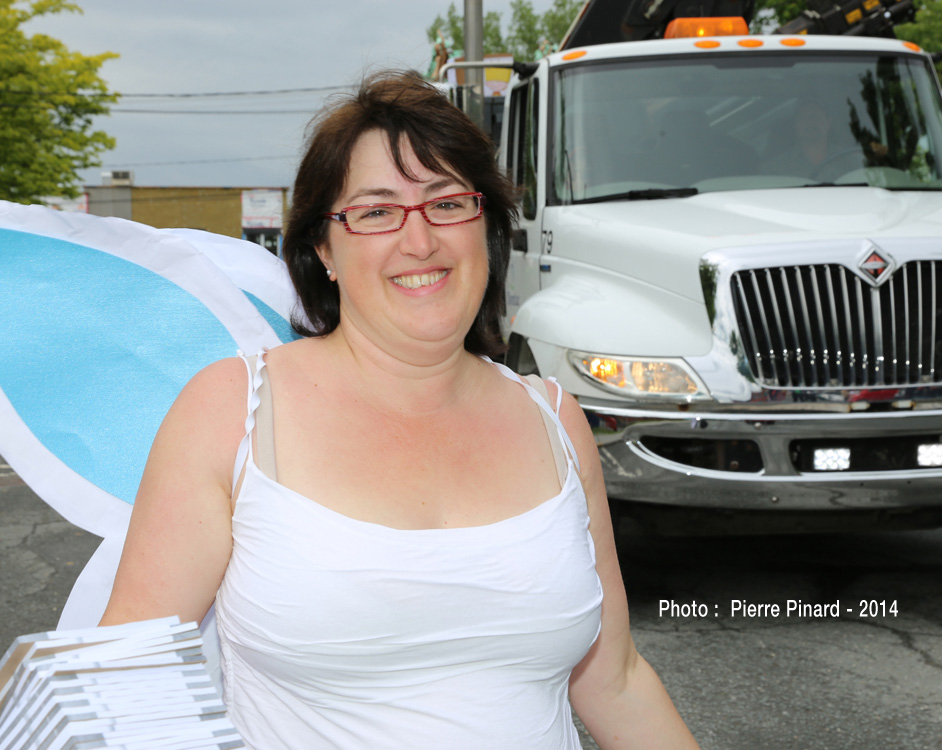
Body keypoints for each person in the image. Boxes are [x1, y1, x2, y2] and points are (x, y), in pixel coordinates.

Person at [100, 71, 699, 749]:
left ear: (486, 228)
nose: (419, 242)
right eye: (377, 211)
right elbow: (129, 671)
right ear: (323, 248)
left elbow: (612, 679)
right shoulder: (234, 410)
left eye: (446, 203)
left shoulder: (554, 420)